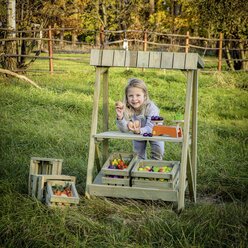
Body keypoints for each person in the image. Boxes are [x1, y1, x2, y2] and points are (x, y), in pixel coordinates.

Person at [115, 78, 164, 160]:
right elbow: (125, 129)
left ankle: (155, 169)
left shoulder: (151, 107)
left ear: (144, 95)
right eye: (131, 96)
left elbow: (152, 127)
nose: (134, 99)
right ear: (127, 97)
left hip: (155, 132)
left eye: (138, 95)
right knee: (138, 155)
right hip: (137, 133)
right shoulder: (127, 108)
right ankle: (140, 170)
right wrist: (120, 117)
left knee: (158, 152)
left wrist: (139, 131)